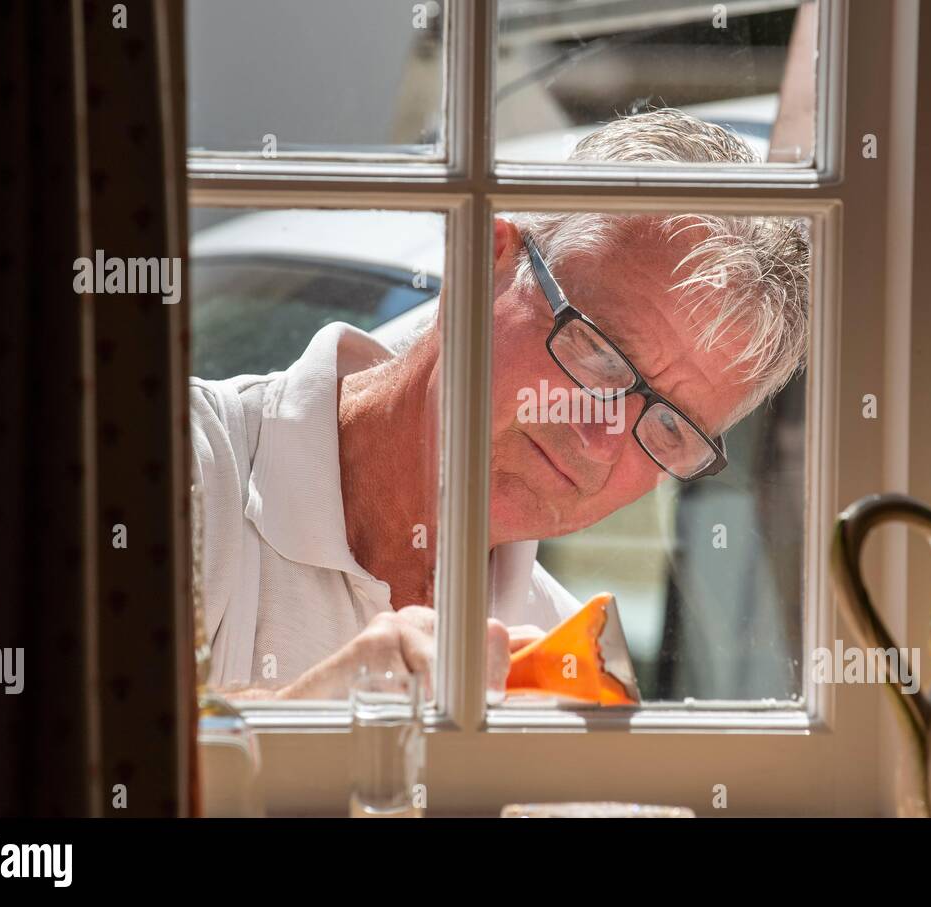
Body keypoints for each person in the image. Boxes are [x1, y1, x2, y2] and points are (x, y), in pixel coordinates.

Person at [191, 108, 809, 699]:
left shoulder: (560, 656)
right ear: (482, 262)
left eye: (670, 426)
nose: (598, 440)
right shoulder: (188, 473)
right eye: (599, 352)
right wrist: (318, 722)